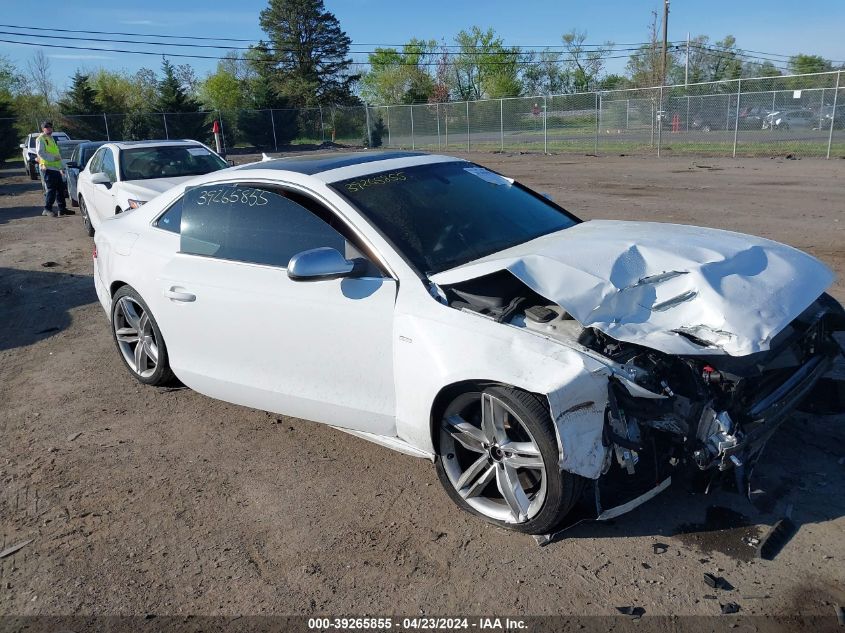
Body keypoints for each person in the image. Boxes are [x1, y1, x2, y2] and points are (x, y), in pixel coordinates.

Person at [35, 120, 73, 217]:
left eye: (50, 127)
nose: (49, 128)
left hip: (55, 168)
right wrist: (53, 158)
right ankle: (47, 209)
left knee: (60, 189)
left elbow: (56, 153)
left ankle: (62, 209)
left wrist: (61, 167)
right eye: (46, 127)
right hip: (47, 168)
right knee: (51, 190)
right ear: (43, 129)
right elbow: (40, 153)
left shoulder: (51, 138)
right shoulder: (41, 139)